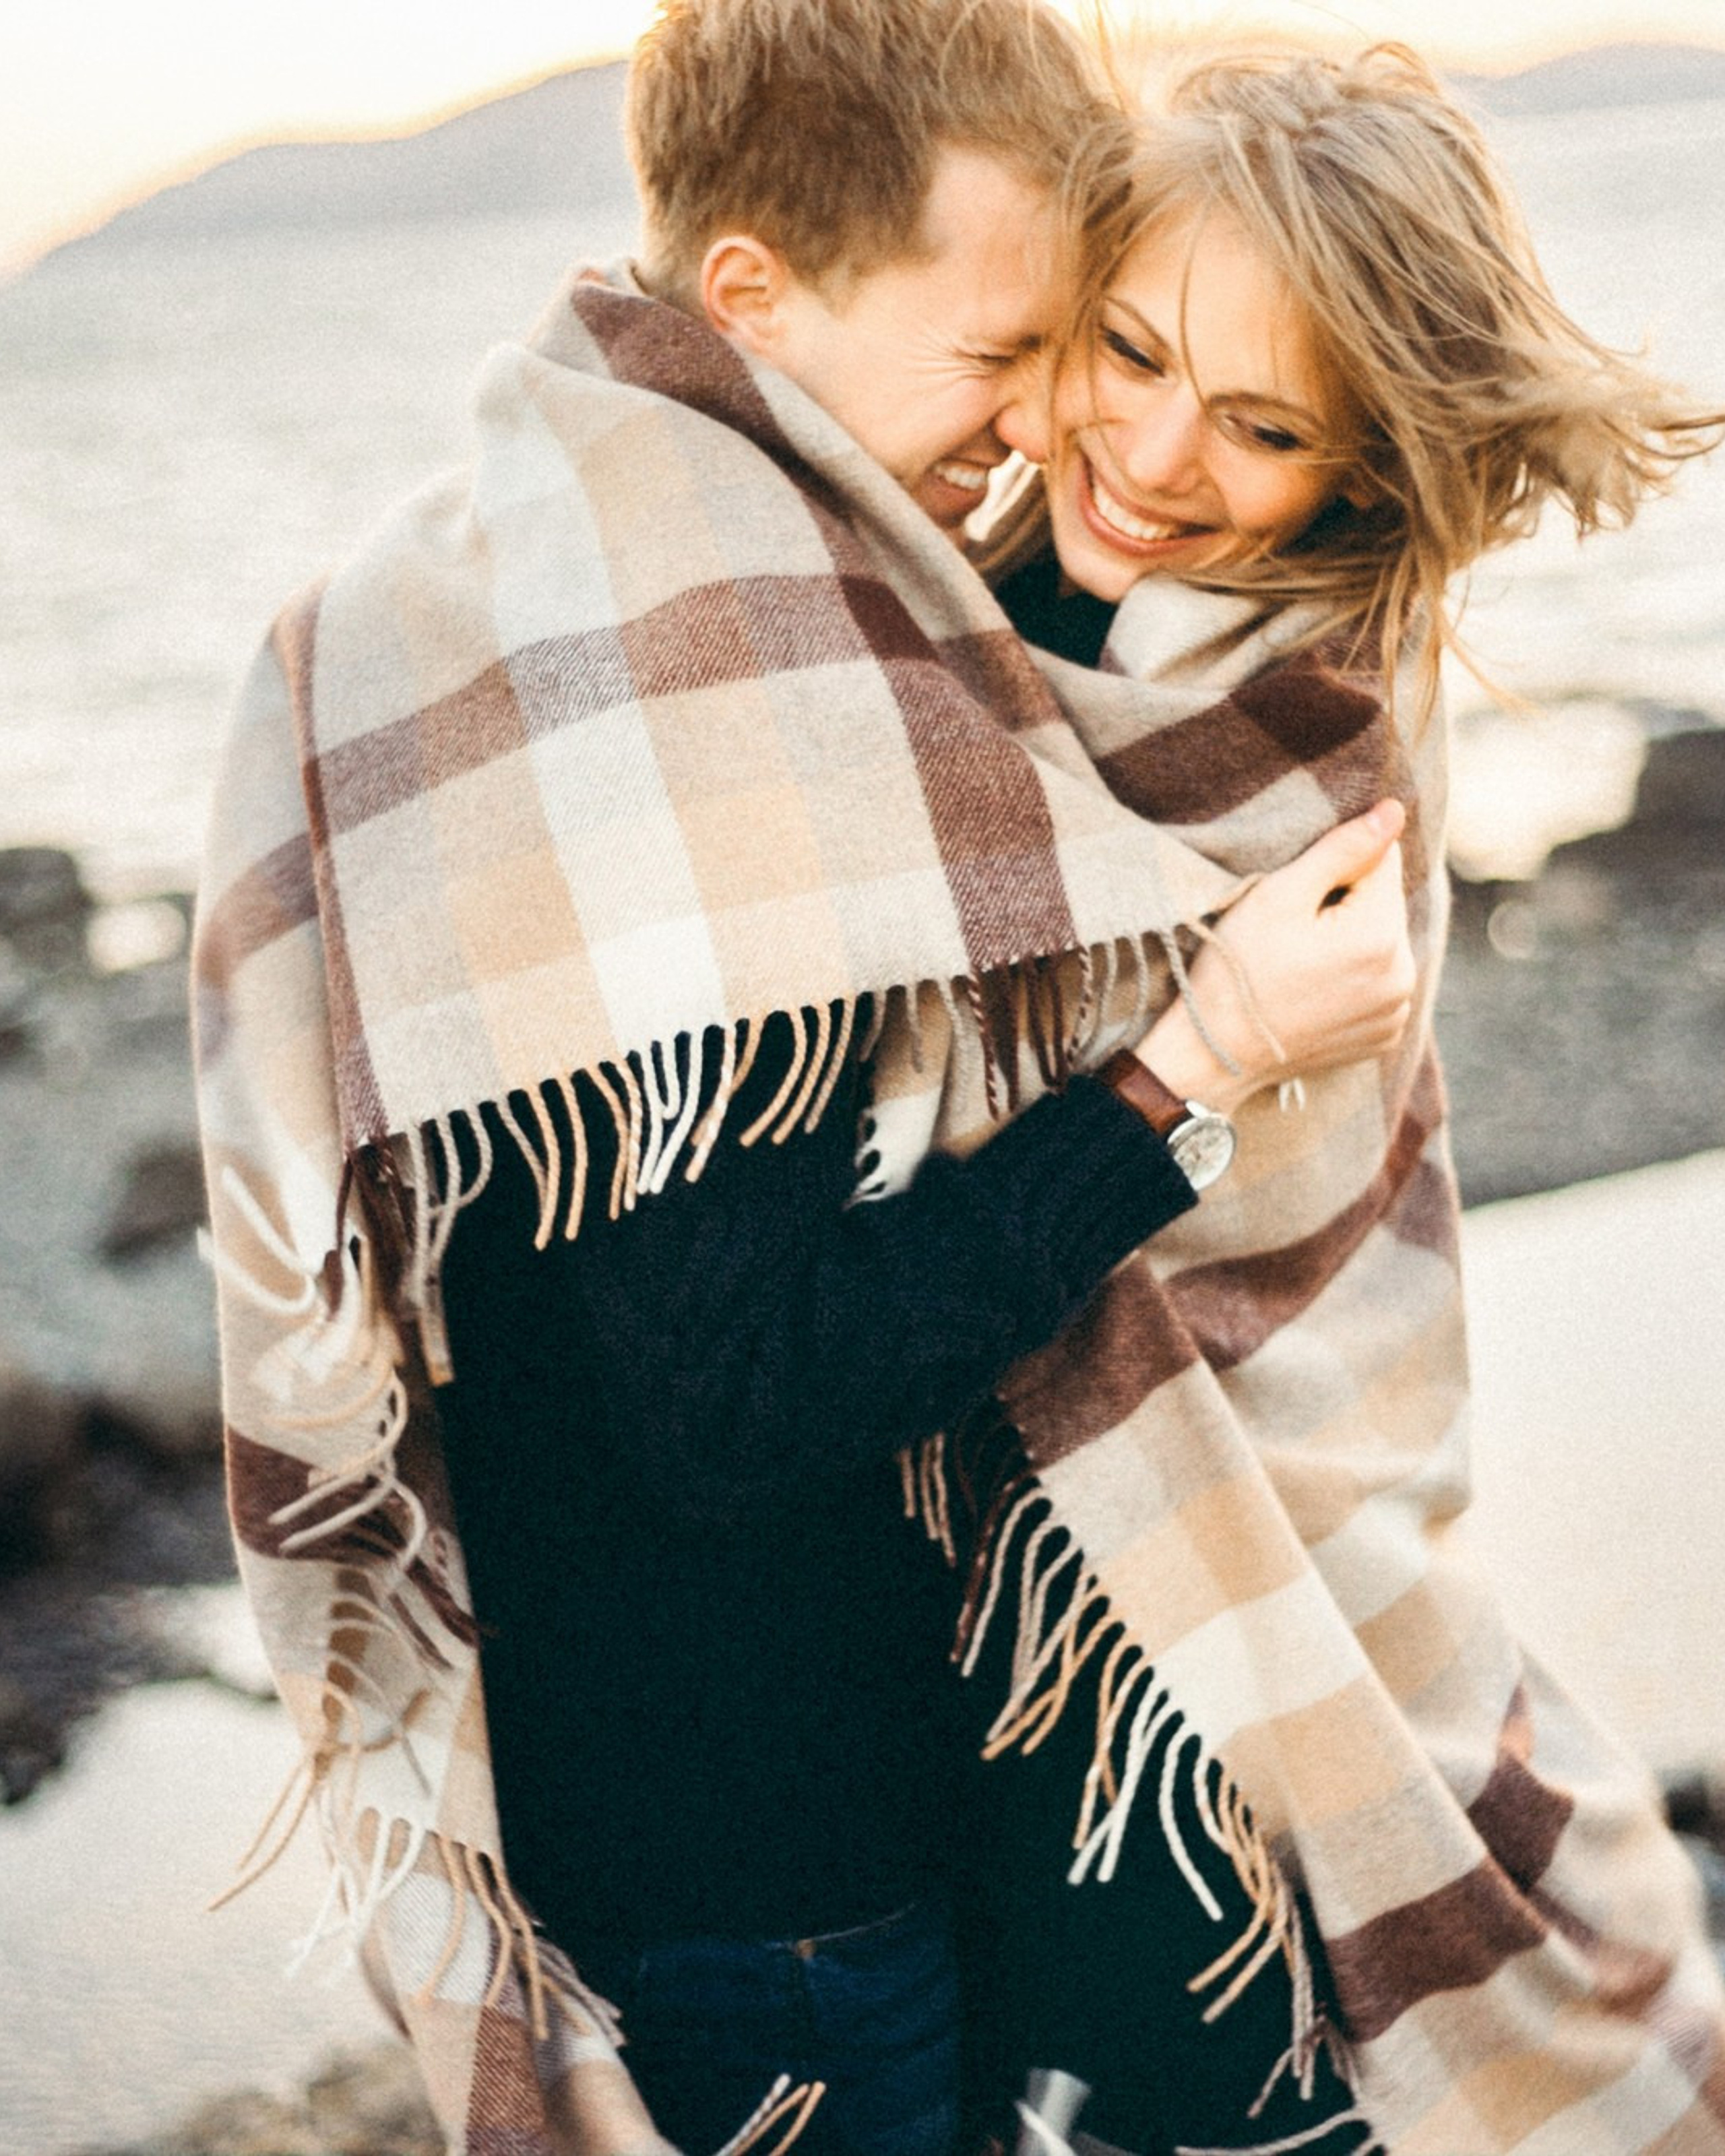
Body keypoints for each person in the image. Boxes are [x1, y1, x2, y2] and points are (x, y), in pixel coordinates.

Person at [191, 5, 1419, 2153]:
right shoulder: (673, 685)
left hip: (811, 1805)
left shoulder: (602, 568)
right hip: (755, 1879)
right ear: (754, 298)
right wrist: (1191, 1071)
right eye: (1003, 350)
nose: (1038, 418)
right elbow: (731, 1399)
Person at [917, 42, 1724, 2155]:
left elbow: (1226, 1221)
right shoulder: (948, 605)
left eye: (1264, 427)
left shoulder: (1301, 728)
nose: (1154, 454)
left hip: (1196, 1591)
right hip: (972, 1616)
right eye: (1131, 351)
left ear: (1368, 463)